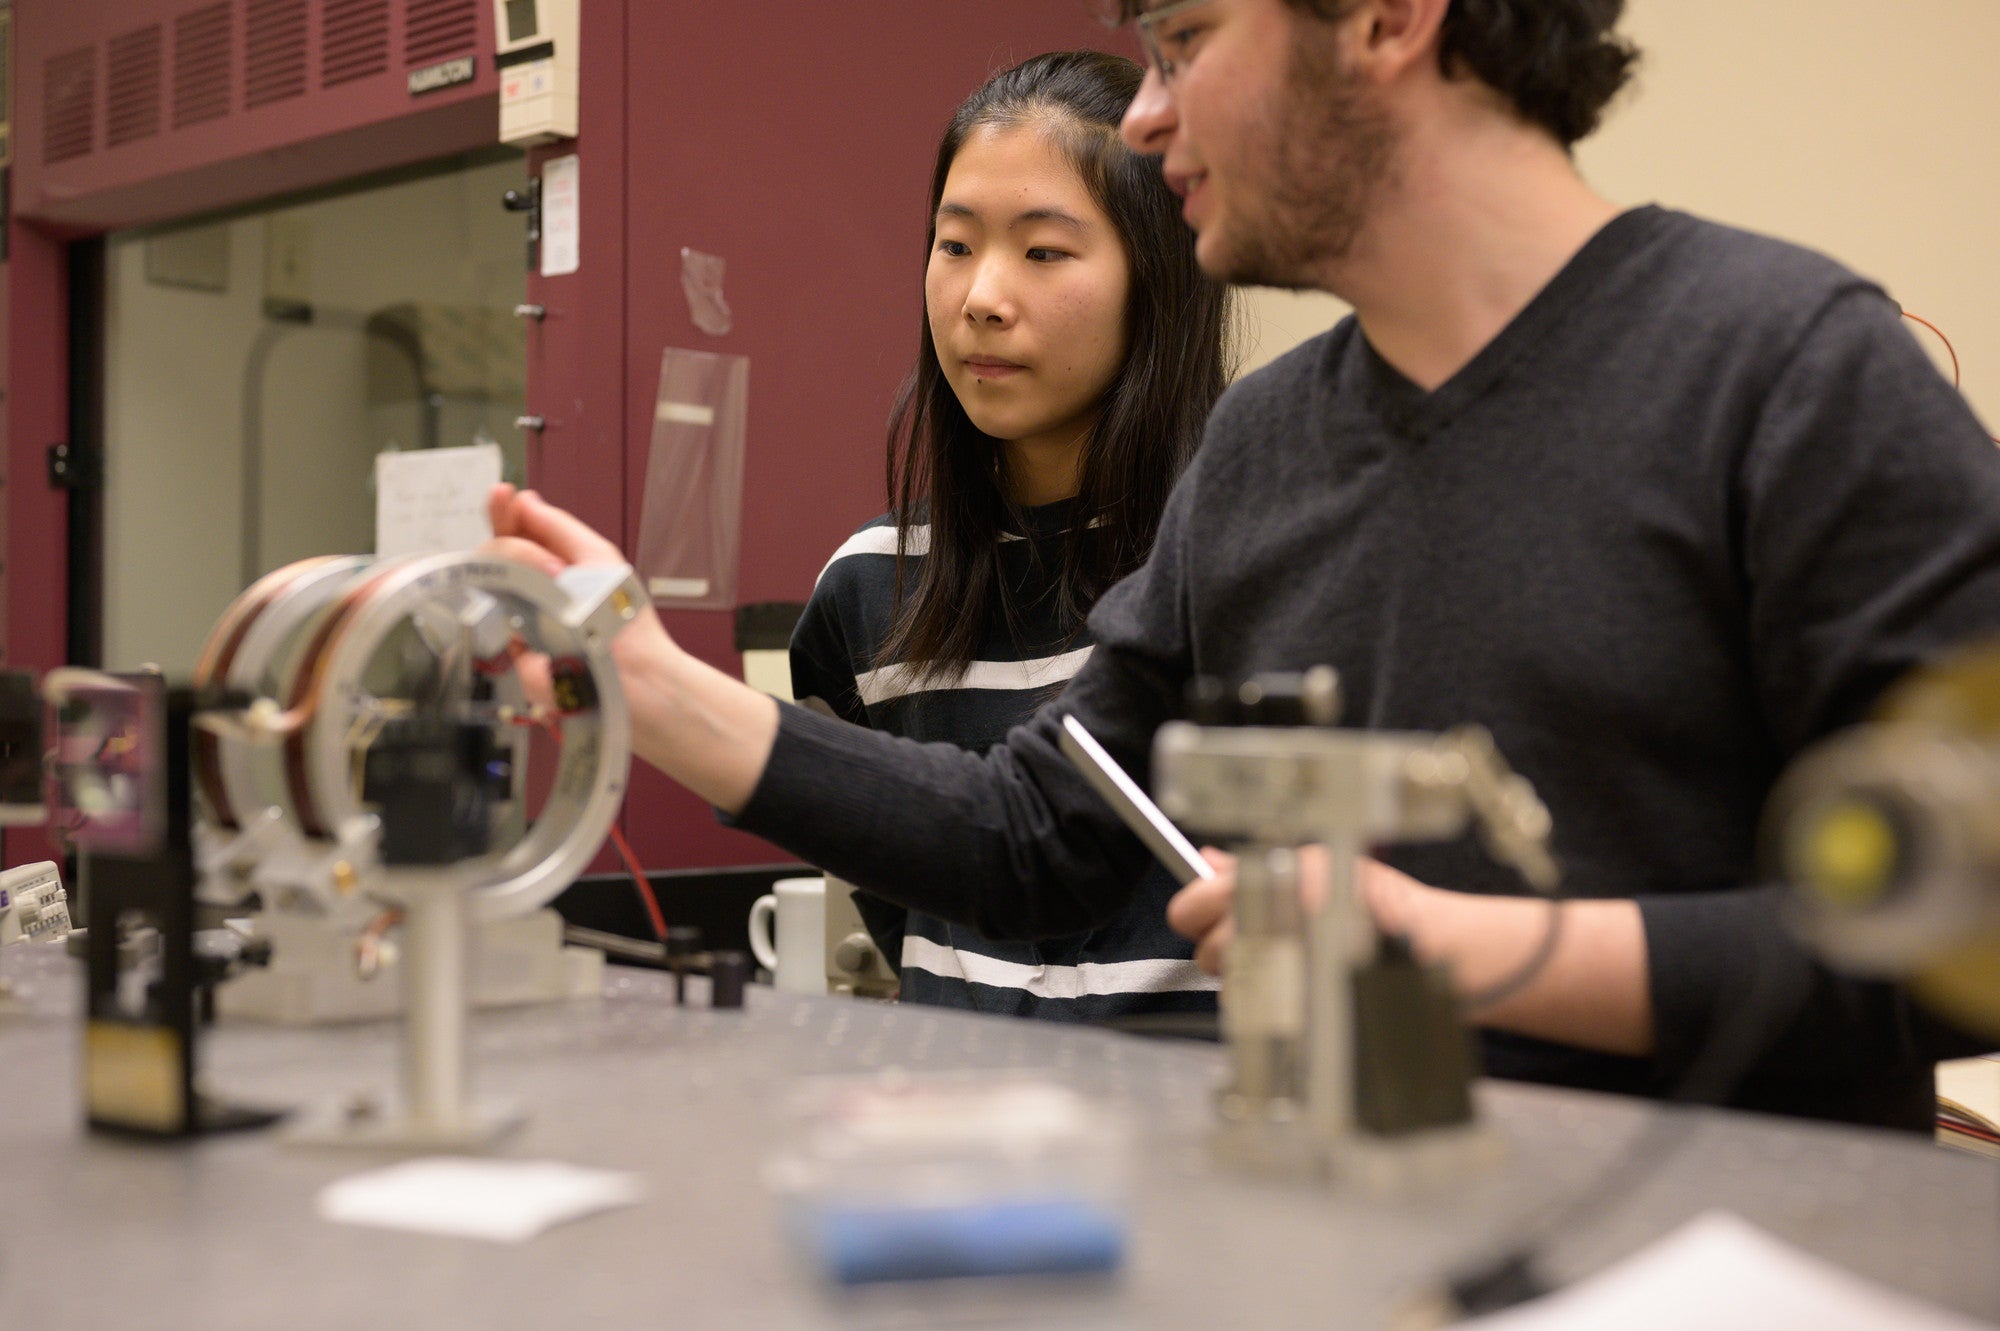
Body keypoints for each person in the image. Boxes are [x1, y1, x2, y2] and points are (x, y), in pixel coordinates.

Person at [491, 0, 2000, 1131]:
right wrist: (651, 684)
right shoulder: (1271, 444)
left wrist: (1476, 947)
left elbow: (1973, 907)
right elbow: (1042, 835)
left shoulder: (1794, 373)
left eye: (1186, 40)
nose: (1146, 117)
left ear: (1389, 22)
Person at [788, 51, 1231, 1019]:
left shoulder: (1246, 557)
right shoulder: (867, 592)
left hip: (1200, 1145)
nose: (980, 296)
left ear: (1156, 280)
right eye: (954, 245)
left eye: (1042, 251)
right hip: (965, 1139)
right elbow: (902, 891)